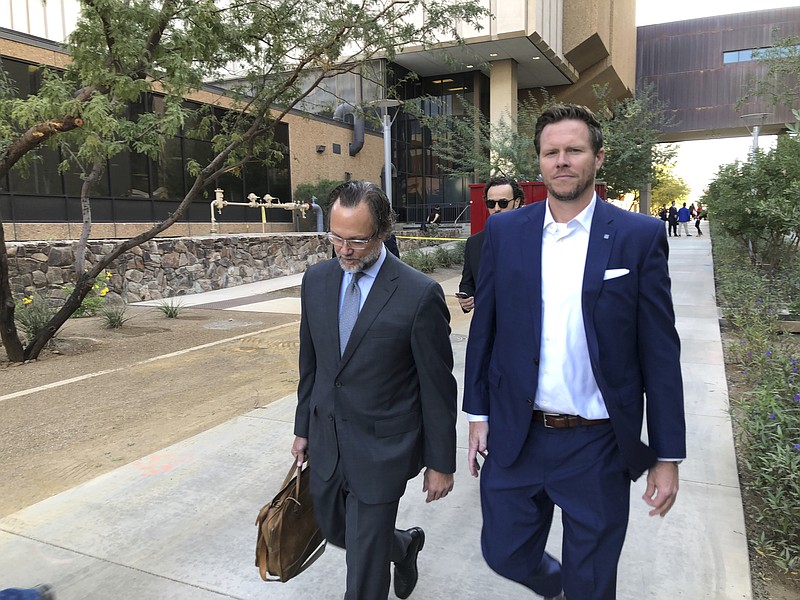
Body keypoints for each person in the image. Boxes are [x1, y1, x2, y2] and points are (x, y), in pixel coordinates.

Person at [463, 104, 686, 600]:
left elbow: (660, 353)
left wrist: (667, 455)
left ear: (597, 158)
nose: (562, 161)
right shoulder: (505, 231)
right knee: (504, 552)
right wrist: (477, 414)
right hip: (518, 436)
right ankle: (558, 588)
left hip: (597, 445)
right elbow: (487, 328)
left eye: (574, 150)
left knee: (593, 583)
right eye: (551, 152)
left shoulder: (638, 236)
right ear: (539, 162)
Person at [292, 180, 457, 600]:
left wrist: (441, 462)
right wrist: (302, 429)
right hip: (327, 439)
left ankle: (385, 548)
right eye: (336, 237)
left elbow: (437, 385)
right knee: (336, 529)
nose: (344, 250)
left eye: (357, 241)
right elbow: (311, 365)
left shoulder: (419, 294)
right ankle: (402, 546)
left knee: (363, 570)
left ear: (384, 231)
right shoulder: (316, 281)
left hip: (384, 448)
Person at [457, 176, 524, 313]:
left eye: (503, 203)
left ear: (516, 202)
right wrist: (466, 299)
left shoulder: (533, 239)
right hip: (488, 328)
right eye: (491, 204)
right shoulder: (474, 243)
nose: (497, 208)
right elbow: (467, 283)